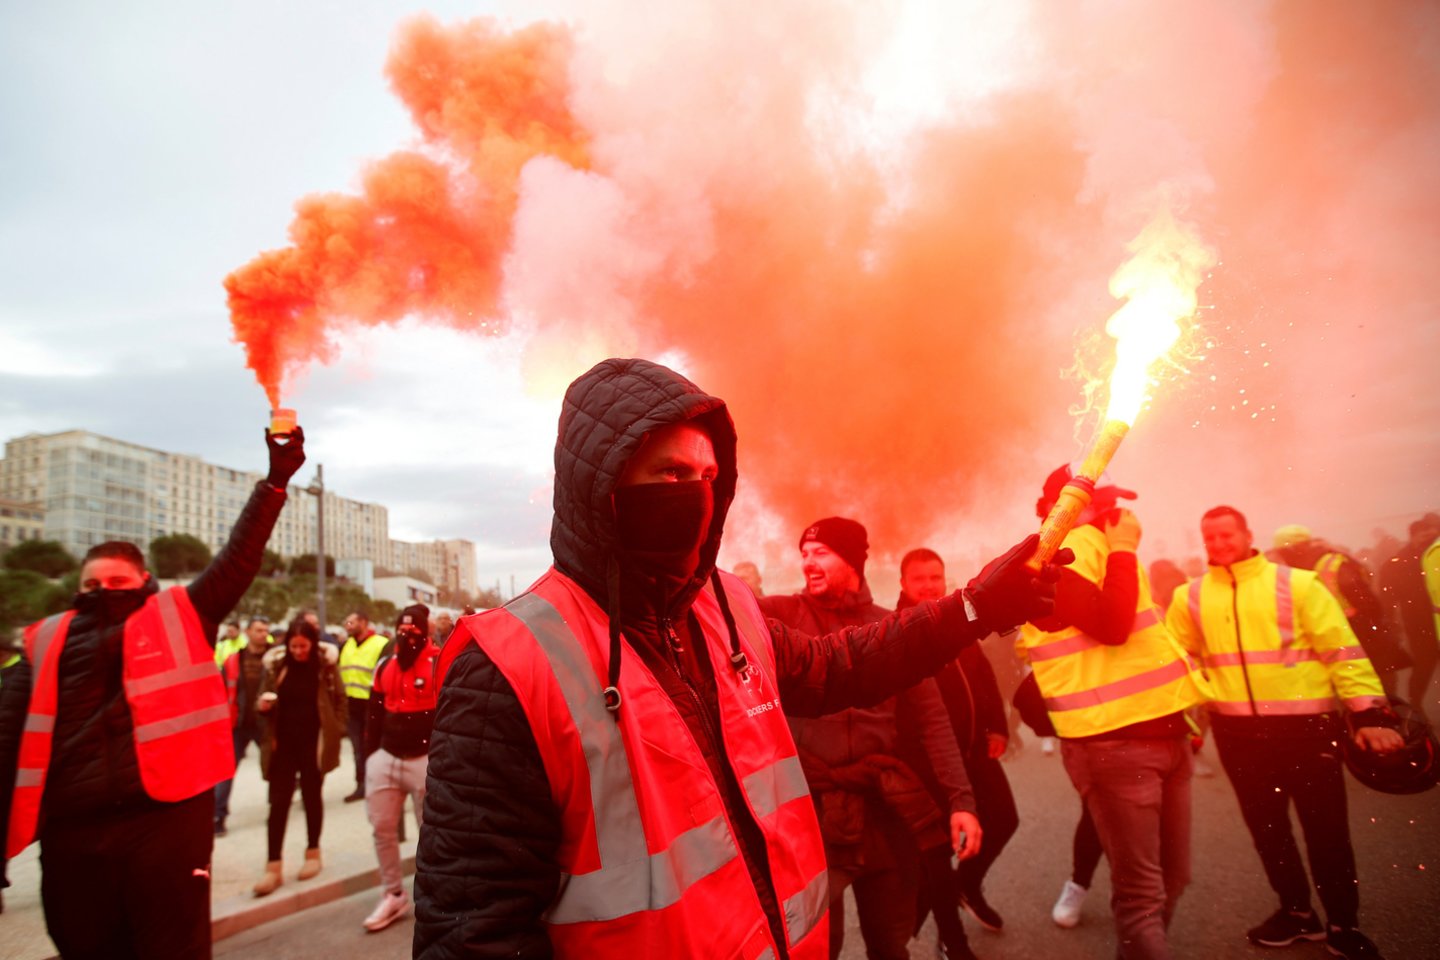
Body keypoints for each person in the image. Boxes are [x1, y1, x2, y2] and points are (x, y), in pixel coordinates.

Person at [413, 357, 1068, 959]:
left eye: (708, 477)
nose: (696, 495)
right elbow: (472, 930)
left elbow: (842, 666)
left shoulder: (727, 606)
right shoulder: (507, 665)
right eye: (671, 475)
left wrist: (973, 608)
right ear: (603, 486)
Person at [0, 427, 304, 960]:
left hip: (165, 826)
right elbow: (5, 740)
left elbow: (238, 558)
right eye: (92, 585)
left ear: (144, 581)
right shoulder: (46, 639)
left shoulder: (182, 613)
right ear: (78, 588)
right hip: (74, 835)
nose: (103, 592)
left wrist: (275, 482)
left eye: (116, 583)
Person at [1165, 505, 1404, 960]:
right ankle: (1297, 914)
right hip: (1237, 734)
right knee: (1268, 830)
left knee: (1327, 831)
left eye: (1226, 535)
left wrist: (1370, 714)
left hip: (1307, 729)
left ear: (1247, 534)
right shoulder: (1189, 597)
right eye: (1209, 538)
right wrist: (1189, 720)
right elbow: (1180, 662)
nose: (1218, 544)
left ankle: (1342, 924)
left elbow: (1342, 651)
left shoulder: (1297, 583)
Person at [761, 520, 980, 960]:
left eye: (821, 552)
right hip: (812, 811)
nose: (808, 562)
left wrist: (962, 803)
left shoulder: (892, 627)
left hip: (883, 809)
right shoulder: (780, 616)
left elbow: (933, 721)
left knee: (890, 942)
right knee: (817, 946)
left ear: (853, 562)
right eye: (804, 552)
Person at [1018, 464, 1210, 960]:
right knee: (1145, 894)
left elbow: (1143, 644)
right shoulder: (1059, 550)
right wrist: (1124, 548)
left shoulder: (1093, 546)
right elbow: (1113, 625)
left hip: (1159, 732)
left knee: (1172, 879)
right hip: (1113, 741)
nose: (1116, 513)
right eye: (1102, 503)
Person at [899, 548, 1018, 950]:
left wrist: (998, 727)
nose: (929, 585)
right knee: (935, 857)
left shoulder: (956, 615)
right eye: (920, 579)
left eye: (936, 576)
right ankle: (954, 941)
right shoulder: (895, 630)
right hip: (927, 764)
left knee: (1005, 819)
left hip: (973, 751)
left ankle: (967, 885)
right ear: (903, 585)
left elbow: (983, 676)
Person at [253, 618, 346, 896]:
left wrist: (336, 729)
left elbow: (341, 700)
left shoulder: (325, 666)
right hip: (283, 746)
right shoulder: (277, 666)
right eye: (293, 646)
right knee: (278, 803)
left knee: (311, 796)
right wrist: (263, 706)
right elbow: (262, 698)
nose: (298, 651)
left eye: (303, 646)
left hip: (312, 745)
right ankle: (273, 866)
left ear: (313, 643)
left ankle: (313, 853)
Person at [361, 604, 439, 932]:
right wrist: (369, 757)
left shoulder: (439, 663)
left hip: (425, 761)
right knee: (382, 828)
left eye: (414, 633)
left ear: (426, 635)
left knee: (432, 832)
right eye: (402, 631)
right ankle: (393, 893)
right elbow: (374, 714)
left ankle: (435, 896)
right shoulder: (385, 664)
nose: (407, 638)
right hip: (387, 758)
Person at [1271, 526, 1410, 699]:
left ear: (1295, 549)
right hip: (1345, 642)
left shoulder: (1332, 564)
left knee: (1380, 697)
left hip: (1363, 640)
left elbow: (1370, 604)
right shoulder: (1303, 569)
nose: (1283, 558)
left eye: (1284, 552)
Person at [214, 616, 276, 836]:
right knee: (225, 770)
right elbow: (220, 690)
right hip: (238, 724)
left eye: (265, 630)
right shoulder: (233, 660)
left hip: (267, 723)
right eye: (258, 630)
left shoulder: (276, 658)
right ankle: (218, 816)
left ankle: (276, 810)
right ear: (247, 632)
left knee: (274, 767)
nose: (263, 634)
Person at [1378, 515, 1440, 716]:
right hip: (1419, 623)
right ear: (1413, 535)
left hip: (1429, 619)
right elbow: (1387, 599)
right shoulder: (1395, 564)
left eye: (1433, 535)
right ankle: (1416, 707)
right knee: (1424, 666)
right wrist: (1391, 625)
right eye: (1424, 535)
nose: (1429, 540)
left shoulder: (1435, 555)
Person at [339, 610, 389, 802]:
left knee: (374, 746)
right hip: (351, 705)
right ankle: (362, 784)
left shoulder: (380, 644)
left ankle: (379, 782)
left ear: (364, 622)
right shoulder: (347, 645)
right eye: (347, 622)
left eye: (351, 622)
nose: (347, 626)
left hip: (372, 705)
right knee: (357, 748)